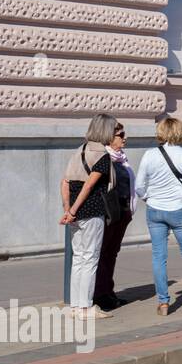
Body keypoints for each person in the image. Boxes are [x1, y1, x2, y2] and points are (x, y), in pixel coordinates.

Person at [135, 117, 182, 314]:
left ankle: (163, 302)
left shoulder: (149, 154)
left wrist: (147, 198)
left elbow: (139, 185)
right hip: (179, 209)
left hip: (155, 209)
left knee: (159, 257)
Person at [59, 114, 117, 319]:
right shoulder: (102, 154)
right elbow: (90, 185)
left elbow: (65, 182)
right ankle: (86, 307)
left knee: (79, 259)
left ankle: (75, 306)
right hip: (92, 212)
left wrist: (68, 210)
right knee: (90, 259)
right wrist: (73, 210)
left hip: (75, 215)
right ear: (106, 131)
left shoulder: (79, 151)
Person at [93, 121, 135, 312]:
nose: (124, 138)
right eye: (121, 134)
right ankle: (100, 295)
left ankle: (108, 292)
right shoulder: (104, 158)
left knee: (112, 252)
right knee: (103, 253)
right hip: (110, 214)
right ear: (109, 137)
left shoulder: (121, 158)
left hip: (122, 211)